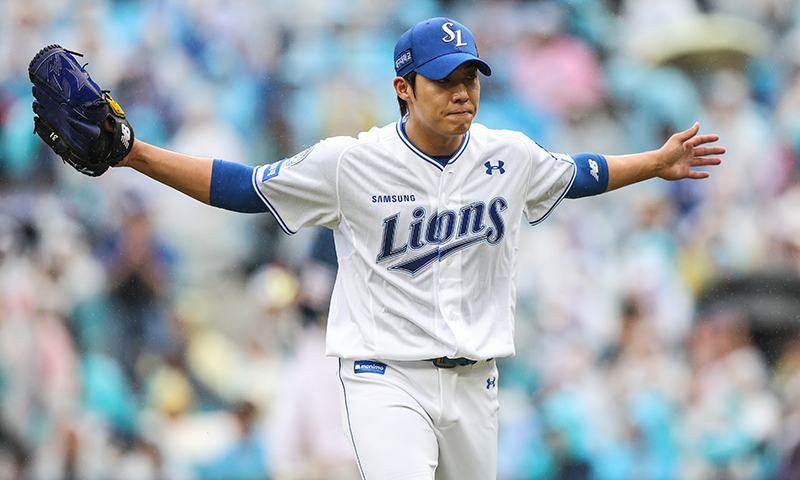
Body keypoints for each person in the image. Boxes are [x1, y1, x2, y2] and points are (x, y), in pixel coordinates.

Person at [106, 17, 723, 480]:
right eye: (444, 80)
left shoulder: (509, 156)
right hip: (386, 377)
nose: (462, 92)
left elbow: (581, 172)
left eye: (470, 78)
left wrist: (655, 162)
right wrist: (136, 154)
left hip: (476, 380)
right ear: (404, 87)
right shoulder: (350, 163)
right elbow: (243, 187)